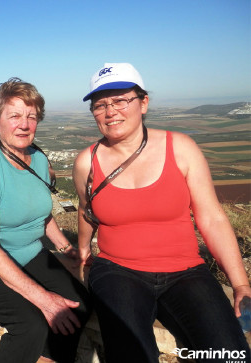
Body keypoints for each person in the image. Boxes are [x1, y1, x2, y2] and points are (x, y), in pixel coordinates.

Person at [73, 63, 251, 363]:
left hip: (186, 271)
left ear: (143, 103)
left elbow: (212, 218)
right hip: (117, 269)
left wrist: (240, 284)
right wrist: (81, 252)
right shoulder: (86, 162)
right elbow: (87, 209)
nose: (110, 111)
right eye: (100, 105)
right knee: (132, 354)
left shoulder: (181, 148)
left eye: (120, 100)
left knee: (229, 354)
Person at [0, 77, 92, 363]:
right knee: (30, 326)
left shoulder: (39, 159)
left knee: (76, 306)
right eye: (14, 115)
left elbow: (41, 214)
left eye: (31, 116)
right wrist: (43, 299)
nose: (24, 124)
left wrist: (66, 248)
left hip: (29, 251)